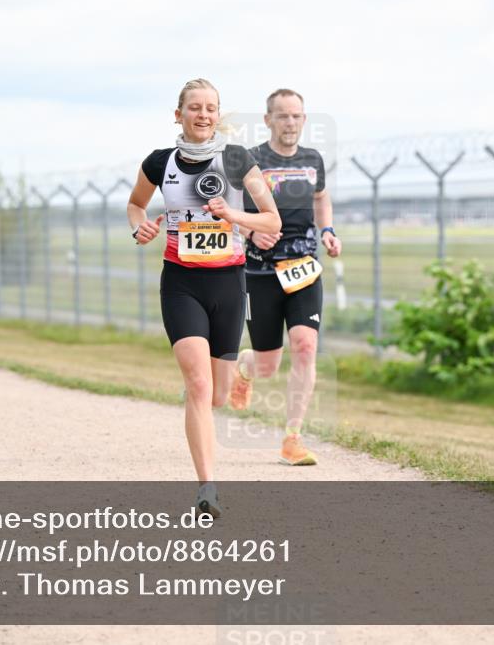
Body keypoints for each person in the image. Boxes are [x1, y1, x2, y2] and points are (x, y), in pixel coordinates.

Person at [127, 78, 281, 517]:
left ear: (218, 114)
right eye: (194, 107)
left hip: (229, 283)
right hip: (181, 284)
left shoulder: (236, 159)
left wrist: (233, 215)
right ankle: (207, 489)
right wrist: (141, 225)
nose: (203, 114)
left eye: (211, 108)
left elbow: (270, 222)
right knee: (197, 385)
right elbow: (136, 205)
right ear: (179, 115)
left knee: (218, 396)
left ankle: (245, 369)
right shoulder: (160, 163)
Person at [229, 89, 343, 466]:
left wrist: (327, 231)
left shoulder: (314, 160)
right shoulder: (252, 161)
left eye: (296, 116)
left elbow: (321, 198)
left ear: (304, 120)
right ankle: (244, 370)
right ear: (268, 120)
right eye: (282, 116)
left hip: (304, 269)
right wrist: (249, 232)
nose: (290, 123)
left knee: (305, 346)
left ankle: (292, 437)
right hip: (260, 271)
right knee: (267, 365)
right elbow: (227, 209)